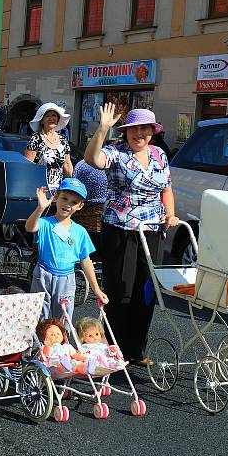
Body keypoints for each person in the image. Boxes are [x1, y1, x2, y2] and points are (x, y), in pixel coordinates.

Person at [83, 104, 179, 366]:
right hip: (121, 228)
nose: (140, 133)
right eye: (135, 128)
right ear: (126, 132)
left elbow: (167, 189)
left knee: (146, 291)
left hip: (151, 229)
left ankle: (137, 350)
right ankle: (114, 351)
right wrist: (102, 128)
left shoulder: (159, 154)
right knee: (122, 290)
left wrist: (170, 214)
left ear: (152, 132)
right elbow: (93, 159)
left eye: (145, 129)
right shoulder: (116, 152)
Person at [25, 178, 107, 320]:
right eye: (65, 198)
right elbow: (29, 227)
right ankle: (37, 342)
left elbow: (86, 261)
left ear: (80, 206)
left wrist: (97, 290)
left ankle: (63, 342)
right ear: (56, 197)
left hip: (67, 278)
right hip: (43, 273)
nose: (68, 204)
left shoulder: (80, 232)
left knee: (64, 318)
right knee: (38, 315)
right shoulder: (45, 223)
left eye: (74, 202)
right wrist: (41, 208)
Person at [24, 102, 74, 192]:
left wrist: (70, 185)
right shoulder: (36, 138)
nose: (51, 118)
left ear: (58, 119)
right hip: (40, 190)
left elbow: (67, 164)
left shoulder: (63, 139)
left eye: (54, 115)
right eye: (47, 116)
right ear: (42, 120)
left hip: (59, 191)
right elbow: (27, 166)